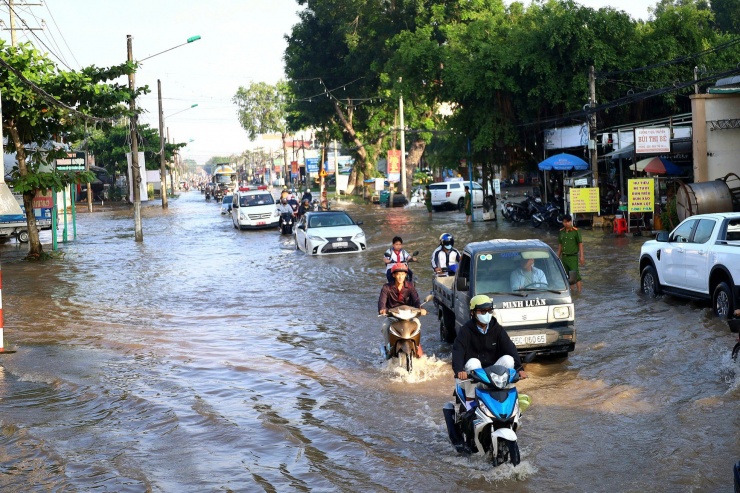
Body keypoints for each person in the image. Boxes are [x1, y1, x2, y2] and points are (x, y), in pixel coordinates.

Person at [452, 295, 525, 380]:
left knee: (508, 360)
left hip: (493, 370)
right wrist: (459, 370)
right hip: (474, 373)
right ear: (473, 312)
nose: (486, 314)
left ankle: (506, 391)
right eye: (482, 311)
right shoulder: (465, 330)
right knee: (474, 362)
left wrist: (519, 369)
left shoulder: (497, 329)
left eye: (489, 311)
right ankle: (472, 393)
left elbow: (510, 348)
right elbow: (458, 351)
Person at [378, 263, 427, 357]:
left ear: (405, 275)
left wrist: (421, 309)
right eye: (398, 274)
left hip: (409, 316)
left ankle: (416, 346)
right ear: (393, 275)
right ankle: (389, 348)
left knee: (418, 324)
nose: (400, 277)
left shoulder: (410, 286)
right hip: (393, 316)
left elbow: (416, 300)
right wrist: (382, 309)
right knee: (385, 326)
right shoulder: (386, 287)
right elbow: (382, 302)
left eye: (402, 274)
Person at [557, 213, 585, 293]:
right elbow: (560, 245)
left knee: (575, 275)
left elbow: (580, 244)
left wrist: (581, 256)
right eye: (564, 222)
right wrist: (557, 256)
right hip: (564, 257)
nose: (566, 223)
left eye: (568, 222)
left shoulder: (576, 231)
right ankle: (572, 292)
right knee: (568, 276)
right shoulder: (561, 232)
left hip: (573, 257)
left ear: (570, 222)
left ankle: (579, 293)